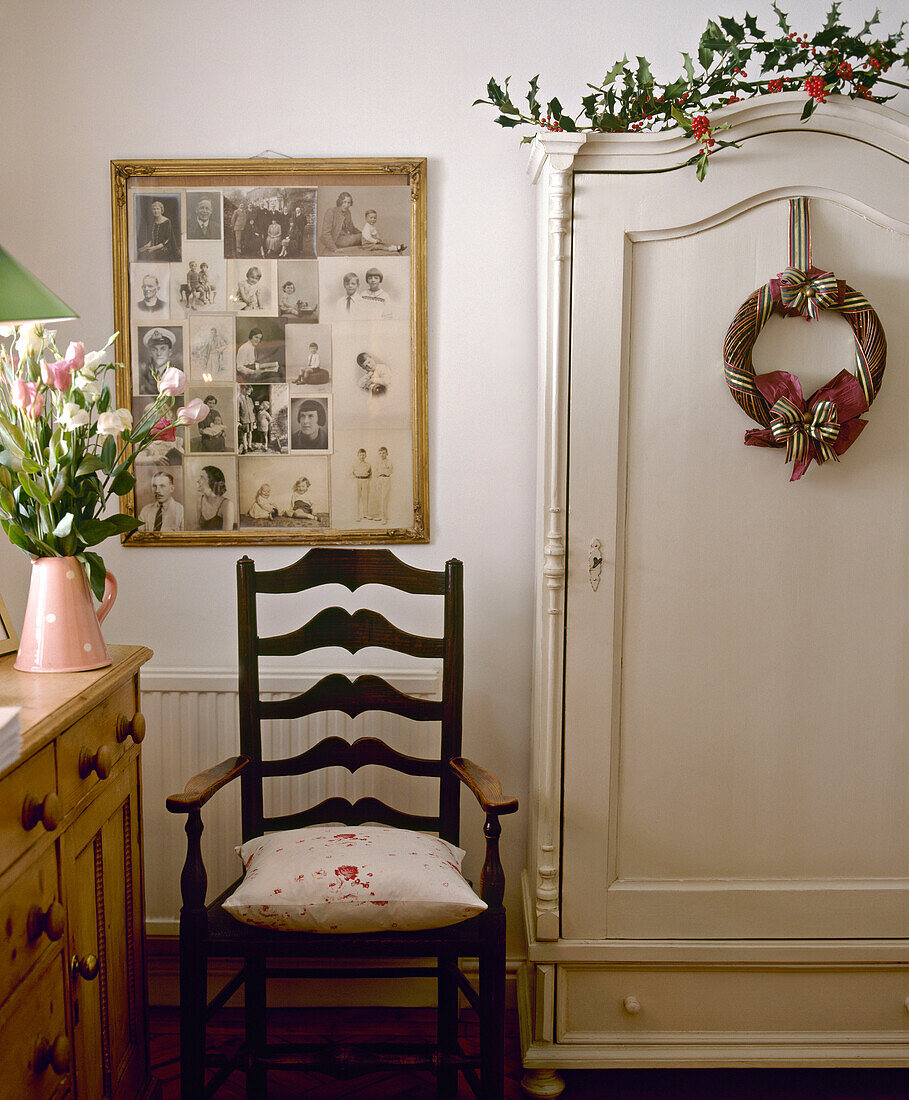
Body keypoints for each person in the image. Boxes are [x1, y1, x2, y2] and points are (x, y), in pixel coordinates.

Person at [138, 327, 178, 394]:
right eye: (154, 349)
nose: (159, 353)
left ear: (170, 352)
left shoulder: (176, 374)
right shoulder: (145, 374)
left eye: (163, 349)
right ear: (150, 353)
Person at [195, 465, 236, 530]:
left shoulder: (227, 504)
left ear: (212, 482)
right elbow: (197, 528)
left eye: (202, 477)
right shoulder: (200, 500)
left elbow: (227, 537)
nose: (198, 480)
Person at [373, 445, 393, 524]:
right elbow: (375, 473)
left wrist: (382, 472)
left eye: (383, 453)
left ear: (387, 453)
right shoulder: (377, 462)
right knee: (379, 497)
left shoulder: (389, 462)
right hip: (379, 480)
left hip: (386, 479)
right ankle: (380, 515)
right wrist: (381, 472)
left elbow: (389, 472)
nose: (382, 455)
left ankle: (385, 517)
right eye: (380, 453)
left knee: (384, 498)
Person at [352, 448, 372, 521]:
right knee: (357, 498)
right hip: (357, 481)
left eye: (363, 455)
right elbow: (352, 473)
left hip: (365, 481)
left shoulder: (368, 465)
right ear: (358, 455)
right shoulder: (355, 464)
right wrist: (356, 477)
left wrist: (367, 480)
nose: (362, 456)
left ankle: (365, 514)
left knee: (365, 497)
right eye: (360, 455)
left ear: (366, 455)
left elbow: (370, 474)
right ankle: (357, 515)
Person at [237, 384, 255, 453]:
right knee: (244, 434)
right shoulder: (239, 399)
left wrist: (254, 419)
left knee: (250, 433)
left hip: (251, 419)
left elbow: (253, 410)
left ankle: (249, 446)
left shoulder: (250, 399)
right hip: (244, 419)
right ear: (244, 389)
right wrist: (238, 420)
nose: (250, 393)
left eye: (250, 391)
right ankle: (245, 448)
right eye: (249, 391)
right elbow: (237, 410)